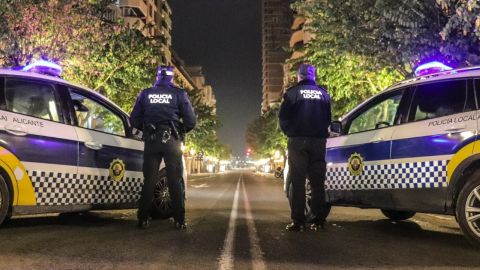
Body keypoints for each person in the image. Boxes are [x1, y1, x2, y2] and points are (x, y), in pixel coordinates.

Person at [130, 65, 196, 230]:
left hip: (151, 141)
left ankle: (143, 219)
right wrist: (180, 131)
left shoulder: (145, 94)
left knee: (149, 180)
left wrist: (146, 129)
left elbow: (134, 119)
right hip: (172, 141)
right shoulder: (179, 94)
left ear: (157, 77)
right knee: (175, 181)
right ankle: (179, 220)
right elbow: (191, 121)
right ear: (171, 78)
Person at [279, 64, 332, 232]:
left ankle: (298, 221)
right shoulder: (324, 94)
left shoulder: (292, 93)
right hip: (318, 142)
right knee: (317, 182)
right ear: (313, 76)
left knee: (298, 180)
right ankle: (318, 220)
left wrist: (290, 132)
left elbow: (283, 118)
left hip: (298, 140)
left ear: (299, 76)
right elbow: (328, 118)